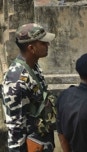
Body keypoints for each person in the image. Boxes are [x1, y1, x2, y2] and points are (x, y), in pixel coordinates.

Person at [1, 23, 56, 151]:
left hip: (40, 139)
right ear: (31, 48)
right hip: (28, 145)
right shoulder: (16, 81)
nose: (48, 45)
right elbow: (15, 127)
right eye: (43, 43)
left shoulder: (33, 65)